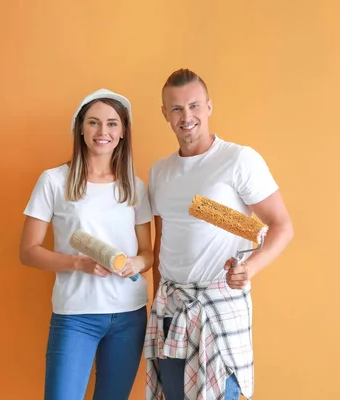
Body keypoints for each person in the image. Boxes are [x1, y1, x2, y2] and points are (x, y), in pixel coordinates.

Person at [144, 69, 294, 400]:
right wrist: (156, 305)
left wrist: (249, 269)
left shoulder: (239, 159)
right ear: (165, 114)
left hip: (220, 310)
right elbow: (161, 248)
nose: (187, 117)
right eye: (177, 109)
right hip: (172, 311)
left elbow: (282, 226)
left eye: (195, 106)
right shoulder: (160, 172)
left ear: (209, 107)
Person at [19, 89, 153, 400]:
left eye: (112, 124)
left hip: (129, 316)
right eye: (93, 122)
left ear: (123, 132)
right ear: (80, 128)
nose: (102, 132)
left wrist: (136, 263)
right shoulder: (54, 181)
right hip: (76, 315)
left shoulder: (135, 186)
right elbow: (28, 251)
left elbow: (148, 254)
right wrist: (78, 263)